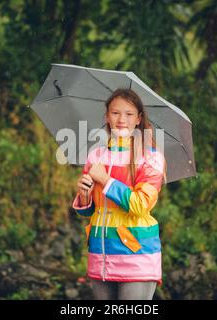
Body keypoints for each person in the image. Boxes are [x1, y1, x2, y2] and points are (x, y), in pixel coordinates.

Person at [71, 88, 166, 300]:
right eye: (115, 113)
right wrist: (85, 194)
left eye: (129, 114)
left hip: (136, 255)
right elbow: (90, 211)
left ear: (138, 118)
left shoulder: (150, 157)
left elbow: (140, 205)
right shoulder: (96, 155)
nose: (121, 119)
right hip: (100, 254)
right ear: (107, 116)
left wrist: (105, 180)